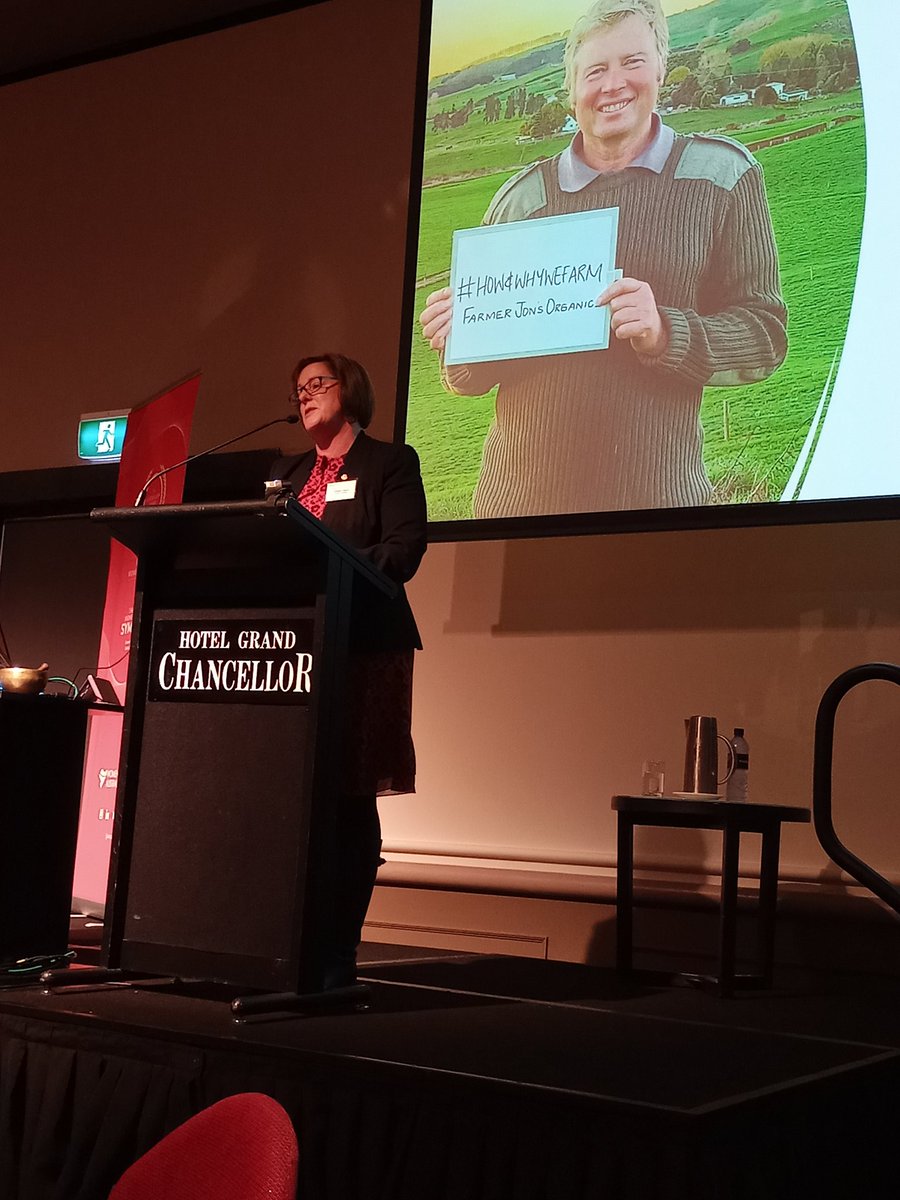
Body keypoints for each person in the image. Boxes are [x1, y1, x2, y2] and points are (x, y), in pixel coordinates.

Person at [420, 0, 787, 518]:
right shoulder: (522, 200)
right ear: (571, 92)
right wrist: (459, 339)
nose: (613, 84)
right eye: (595, 70)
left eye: (632, 62)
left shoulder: (723, 177)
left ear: (662, 66)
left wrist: (665, 332)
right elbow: (470, 378)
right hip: (519, 516)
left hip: (656, 510)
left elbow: (763, 336)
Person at [270, 353, 427, 988]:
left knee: (349, 791)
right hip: (294, 650)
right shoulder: (286, 473)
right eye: (298, 386)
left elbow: (403, 549)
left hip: (363, 647)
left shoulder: (388, 463)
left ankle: (338, 952)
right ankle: (288, 944)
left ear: (349, 391)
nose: (305, 395)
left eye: (318, 384)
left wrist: (341, 571)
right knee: (297, 795)